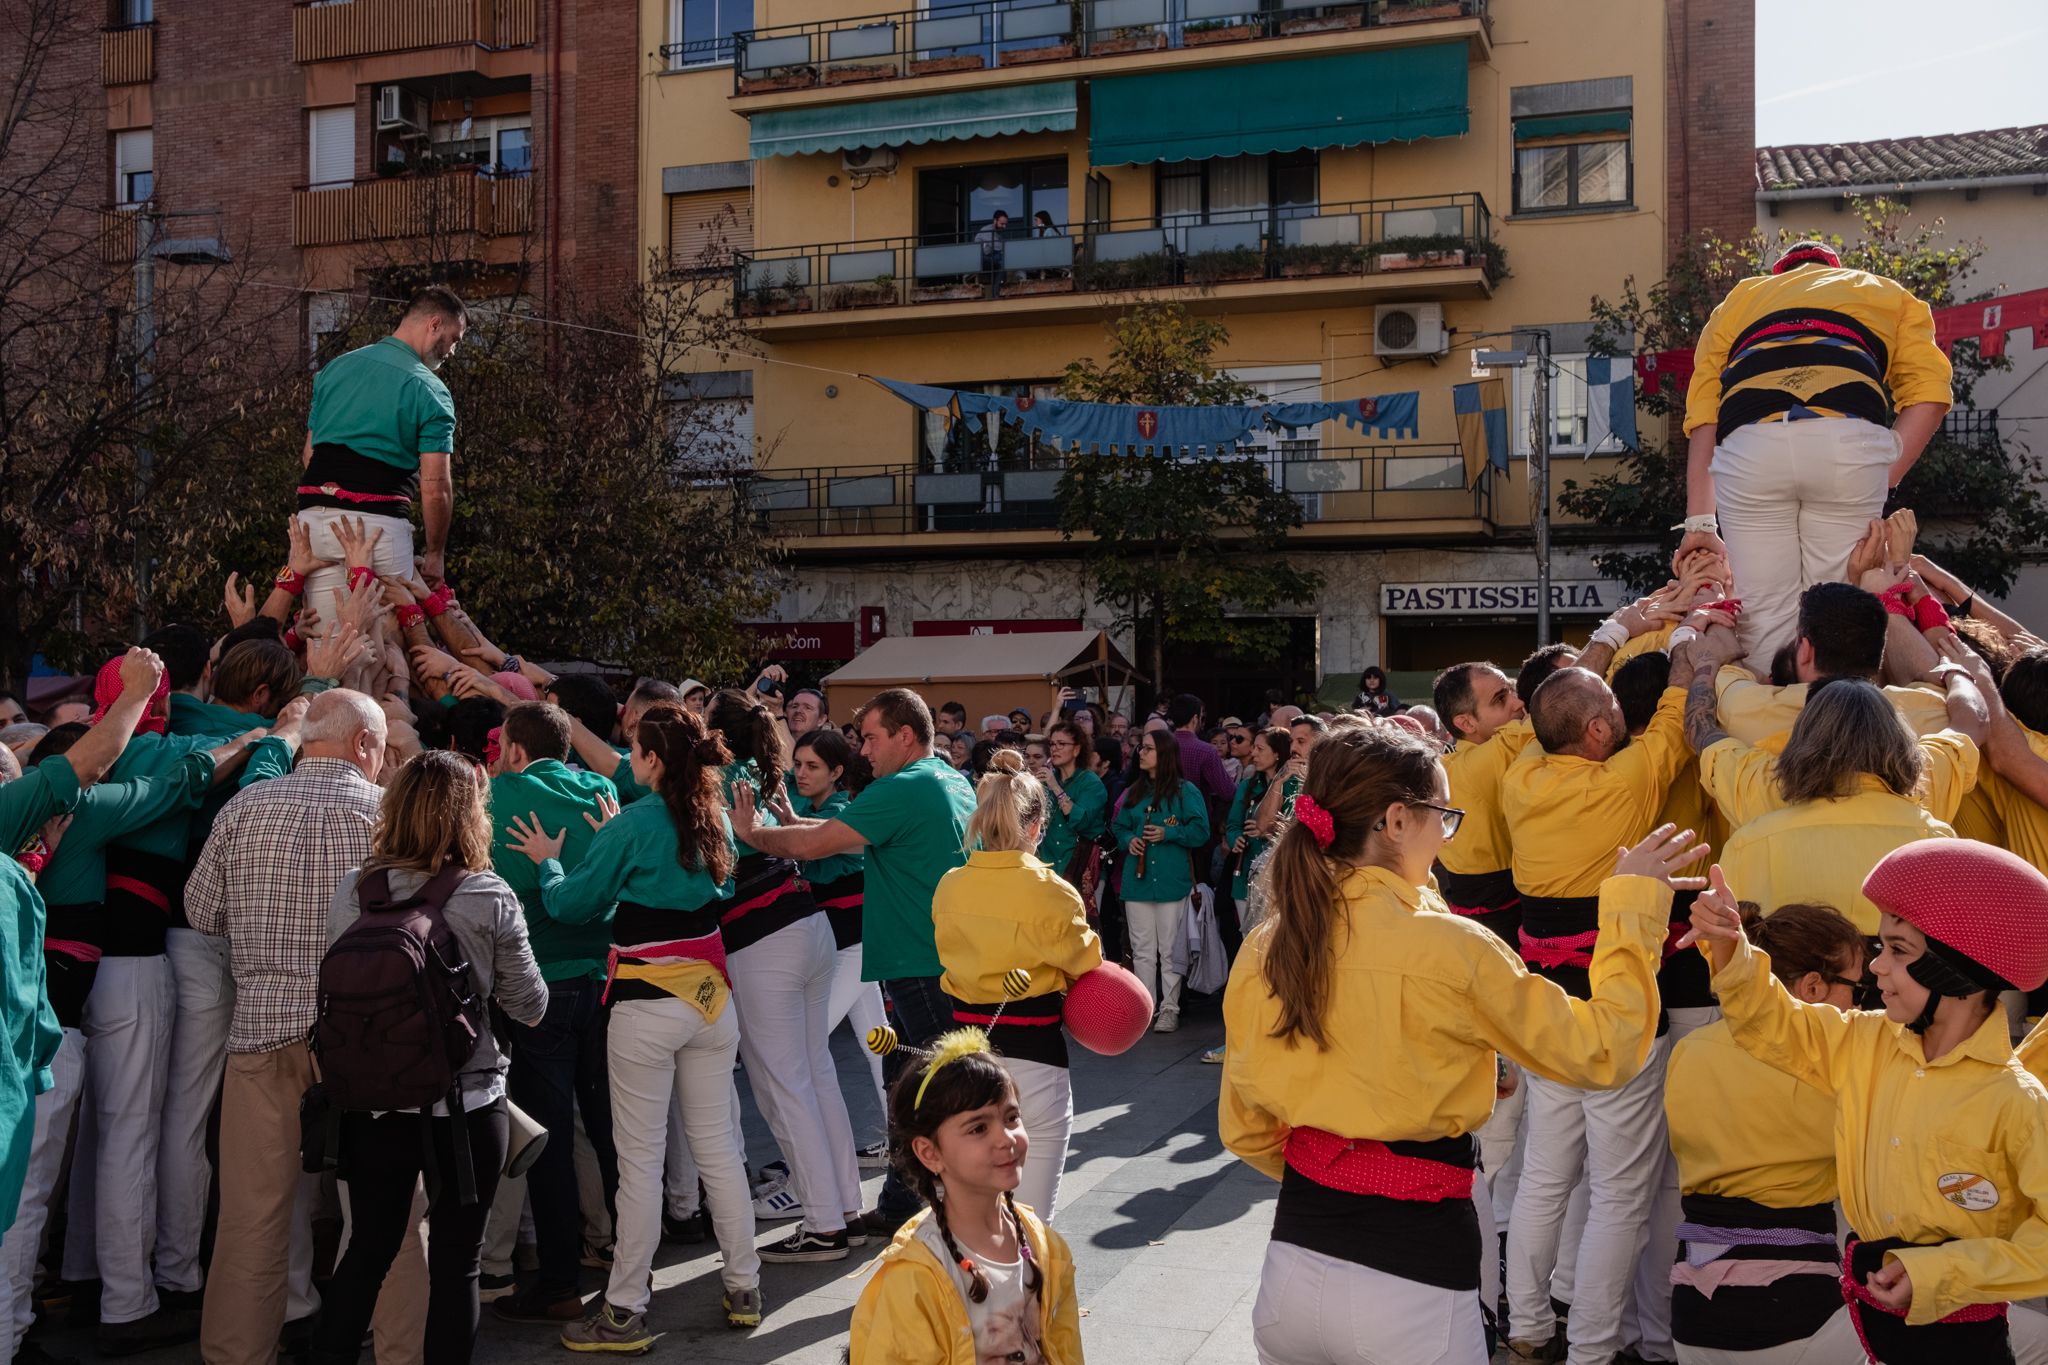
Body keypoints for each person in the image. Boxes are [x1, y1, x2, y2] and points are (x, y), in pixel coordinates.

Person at [1219, 723, 1696, 1365]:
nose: (1450, 835)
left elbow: (1246, 1129)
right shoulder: (1450, 947)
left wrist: (1347, 1157)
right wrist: (1635, 907)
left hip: (1293, 1268)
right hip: (1409, 1283)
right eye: (1444, 817)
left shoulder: (1267, 943)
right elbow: (1603, 1051)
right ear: (1395, 819)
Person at [1685, 840, 2048, 1363]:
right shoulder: (1862, 1041)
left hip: (1966, 1343)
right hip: (1873, 1332)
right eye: (1882, 948)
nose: (1877, 969)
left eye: (1899, 951)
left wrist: (1942, 1273)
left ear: (1959, 971)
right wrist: (1730, 947)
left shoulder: (2016, 1101)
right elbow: (1773, 1022)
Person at [1501, 616, 1738, 1365]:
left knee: (1544, 1175)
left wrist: (1618, 629)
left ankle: (1531, 1327)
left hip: (1542, 1003)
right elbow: (1674, 716)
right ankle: (1595, 1350)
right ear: (1603, 730)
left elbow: (1560, 696)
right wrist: (1687, 646)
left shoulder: (1519, 777)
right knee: (1621, 1193)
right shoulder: (1629, 781)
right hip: (1616, 1007)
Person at [505, 701, 763, 1344]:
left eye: (634, 749)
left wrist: (547, 859)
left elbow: (568, 903)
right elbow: (719, 887)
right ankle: (744, 1286)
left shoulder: (638, 822)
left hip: (646, 1005)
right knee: (720, 1150)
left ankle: (623, 1308)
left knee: (642, 1159)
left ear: (650, 759)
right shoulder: (707, 818)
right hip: (711, 1000)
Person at [186, 691, 412, 1365]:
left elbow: (202, 913)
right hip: (375, 1037)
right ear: (367, 746)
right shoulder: (390, 817)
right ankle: (406, 1352)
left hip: (263, 1030)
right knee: (392, 1215)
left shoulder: (243, 808)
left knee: (252, 1216)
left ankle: (236, 1356)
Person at [317, 752, 547, 1365]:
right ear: (472, 814)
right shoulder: (486, 893)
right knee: (457, 1263)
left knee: (367, 1249)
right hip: (465, 1103)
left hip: (373, 1101)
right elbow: (530, 1006)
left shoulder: (357, 889)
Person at [727, 686, 976, 1240]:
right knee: (912, 1083)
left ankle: (959, 1214)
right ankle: (899, 1204)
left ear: (905, 737)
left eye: (870, 738)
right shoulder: (944, 778)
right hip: (933, 957)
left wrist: (753, 834)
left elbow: (821, 845)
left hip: (919, 960)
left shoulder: (905, 786)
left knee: (937, 1091)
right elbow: (844, 835)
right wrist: (791, 821)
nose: (861, 750)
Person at [1676, 240, 1953, 665]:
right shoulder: (1882, 290)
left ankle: (1764, 720)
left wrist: (1698, 525)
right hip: (1847, 445)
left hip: (1751, 450)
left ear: (1781, 274)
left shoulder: (1740, 301)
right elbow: (1930, 395)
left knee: (1763, 621)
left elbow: (1705, 419)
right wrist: (1882, 472)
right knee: (1835, 616)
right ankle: (1836, 718)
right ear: (1833, 268)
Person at [1663, 901, 1870, 1364]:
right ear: (1813, 987)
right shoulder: (1837, 1066)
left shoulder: (1690, 1051)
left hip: (1692, 1316)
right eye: (1857, 988)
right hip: (1794, 1318)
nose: (1859, 1006)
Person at [703, 688, 861, 1262]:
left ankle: (824, 1224)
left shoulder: (720, 781)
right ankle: (843, 1209)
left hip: (766, 938)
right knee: (814, 1076)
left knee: (784, 1085)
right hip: (807, 929)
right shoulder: (765, 774)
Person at [484, 702, 622, 1324]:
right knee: (612, 1130)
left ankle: (561, 1282)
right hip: (606, 979)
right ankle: (626, 1264)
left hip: (541, 983)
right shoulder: (601, 790)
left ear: (514, 749)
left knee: (550, 1139)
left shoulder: (499, 794)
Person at [932, 750, 1102, 1221]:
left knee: (973, 1213)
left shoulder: (949, 885)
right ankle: (1029, 1291)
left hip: (967, 1056)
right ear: (1035, 827)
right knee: (1031, 1218)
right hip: (1036, 1058)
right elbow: (1087, 963)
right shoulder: (1051, 890)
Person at [847, 1031, 1083, 1365]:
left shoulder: (1044, 1243)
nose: (1006, 1138)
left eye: (1012, 1117)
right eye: (978, 1128)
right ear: (930, 1153)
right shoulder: (914, 1278)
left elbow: (1065, 1344)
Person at [1686, 672, 1985, 933]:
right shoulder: (1938, 836)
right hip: (1904, 998)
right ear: (1900, 741)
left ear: (1801, 740)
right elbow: (1973, 721)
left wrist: (1705, 665)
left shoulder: (1749, 839)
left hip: (1782, 998)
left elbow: (1701, 732)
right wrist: (1955, 671)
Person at [299, 286, 467, 603]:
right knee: (389, 640)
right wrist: (435, 554)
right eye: (455, 339)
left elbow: (310, 453)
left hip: (314, 523)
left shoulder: (334, 369)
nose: (453, 351)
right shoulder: (430, 389)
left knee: (327, 640)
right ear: (434, 325)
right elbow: (435, 486)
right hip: (377, 526)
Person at [787, 727, 890, 1152]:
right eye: (797, 765)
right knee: (878, 1045)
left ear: (837, 772)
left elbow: (816, 839)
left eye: (812, 766)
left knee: (805, 1048)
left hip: (857, 947)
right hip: (842, 946)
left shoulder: (848, 811)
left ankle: (814, 1171)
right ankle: (906, 1146)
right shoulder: (800, 804)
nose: (802, 773)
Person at [1112, 728, 1210, 1034]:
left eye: (1149, 749)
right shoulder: (1133, 792)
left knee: (1169, 950)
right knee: (1141, 950)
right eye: (1141, 748)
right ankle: (1146, 1009)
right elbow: (1118, 826)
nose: (1141, 753)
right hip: (1138, 882)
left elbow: (1201, 832)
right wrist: (1129, 840)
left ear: (1164, 754)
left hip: (1171, 881)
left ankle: (1170, 1008)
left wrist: (1169, 833)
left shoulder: (1185, 792)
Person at [1432, 661, 1534, 944]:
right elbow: (1563, 702)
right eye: (1501, 699)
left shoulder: (1448, 765)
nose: (1518, 702)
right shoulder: (1479, 763)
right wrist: (1611, 634)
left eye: (1511, 691)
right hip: (1502, 920)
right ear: (1466, 723)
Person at [1038, 720, 1107, 891]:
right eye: (1052, 744)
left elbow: (1080, 821)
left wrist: (1055, 786)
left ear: (1076, 749)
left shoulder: (1091, 783)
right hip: (1048, 863)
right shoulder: (1046, 779)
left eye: (1061, 744)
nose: (1054, 748)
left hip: (1080, 864)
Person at [974, 210, 1010, 294]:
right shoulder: (987, 230)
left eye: (1005, 224)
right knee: (1002, 262)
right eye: (1002, 224)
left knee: (1002, 261)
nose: (1004, 227)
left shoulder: (999, 234)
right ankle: (996, 293)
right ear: (995, 221)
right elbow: (998, 247)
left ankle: (998, 290)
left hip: (991, 257)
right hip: (981, 259)